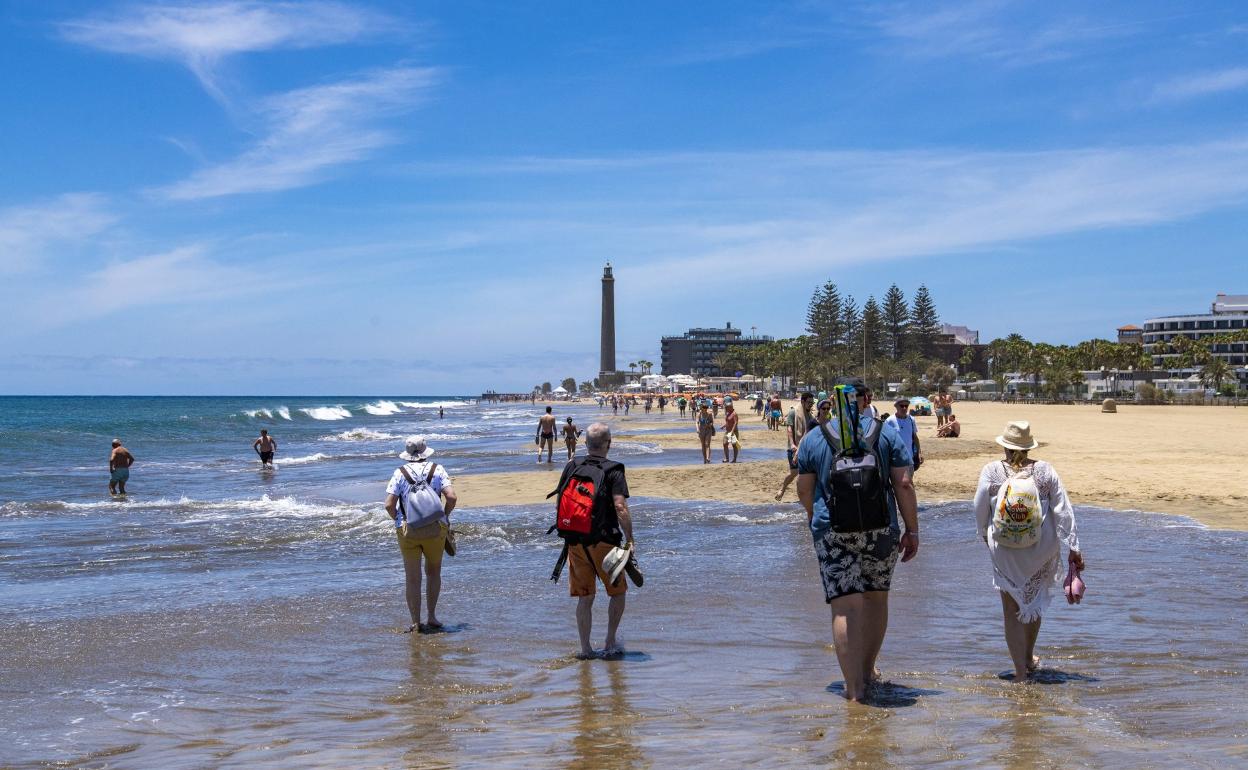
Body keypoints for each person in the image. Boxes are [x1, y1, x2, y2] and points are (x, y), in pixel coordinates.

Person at [797, 379, 919, 703]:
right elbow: (904, 484)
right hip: (882, 529)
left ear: (835, 402)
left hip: (833, 530)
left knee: (844, 606)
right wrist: (912, 530)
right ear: (867, 400)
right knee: (877, 599)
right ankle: (867, 671)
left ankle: (855, 690)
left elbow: (804, 490)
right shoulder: (886, 433)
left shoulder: (814, 437)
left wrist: (816, 520)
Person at [973, 421, 1083, 681]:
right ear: (1029, 445)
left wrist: (983, 535)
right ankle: (1029, 657)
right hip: (1039, 550)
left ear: (1005, 447)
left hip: (1005, 551)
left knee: (1010, 610)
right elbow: (1063, 511)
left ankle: (1020, 672)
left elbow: (979, 507)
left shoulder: (991, 471)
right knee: (1033, 601)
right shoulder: (1045, 471)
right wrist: (1074, 547)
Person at [554, 422, 635, 658]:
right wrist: (630, 538)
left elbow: (559, 501)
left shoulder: (572, 465)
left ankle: (586, 649)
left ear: (586, 443)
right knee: (617, 593)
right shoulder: (614, 469)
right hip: (605, 542)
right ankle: (610, 642)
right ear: (609, 443)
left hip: (575, 541)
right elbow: (620, 506)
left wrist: (567, 530)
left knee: (585, 597)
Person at [385, 436, 457, 634]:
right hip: (435, 529)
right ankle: (432, 617)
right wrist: (445, 516)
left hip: (409, 530)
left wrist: (399, 522)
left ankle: (416, 622)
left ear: (407, 454)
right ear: (426, 451)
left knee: (412, 578)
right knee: (433, 573)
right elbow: (451, 497)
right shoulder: (438, 469)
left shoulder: (399, 473)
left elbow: (389, 504)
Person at [776, 392, 815, 500]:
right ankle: (783, 488)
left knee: (808, 473)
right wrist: (792, 443)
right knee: (794, 472)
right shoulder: (793, 412)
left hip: (806, 449)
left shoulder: (810, 416)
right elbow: (789, 429)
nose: (811, 405)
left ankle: (806, 495)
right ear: (802, 401)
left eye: (812, 403)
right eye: (809, 402)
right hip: (793, 448)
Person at [886, 398, 922, 471]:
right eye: (902, 406)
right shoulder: (890, 421)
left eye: (906, 406)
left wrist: (919, 453)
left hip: (910, 457)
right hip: (895, 458)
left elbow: (915, 437)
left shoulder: (911, 419)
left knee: (909, 479)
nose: (904, 408)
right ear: (896, 406)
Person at [721, 396, 740, 463]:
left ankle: (734, 459)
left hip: (733, 431)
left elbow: (735, 423)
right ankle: (727, 458)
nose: (726, 408)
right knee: (725, 443)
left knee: (734, 445)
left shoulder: (734, 413)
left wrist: (732, 431)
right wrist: (724, 426)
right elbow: (728, 422)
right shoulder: (728, 413)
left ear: (730, 407)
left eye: (727, 407)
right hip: (727, 431)